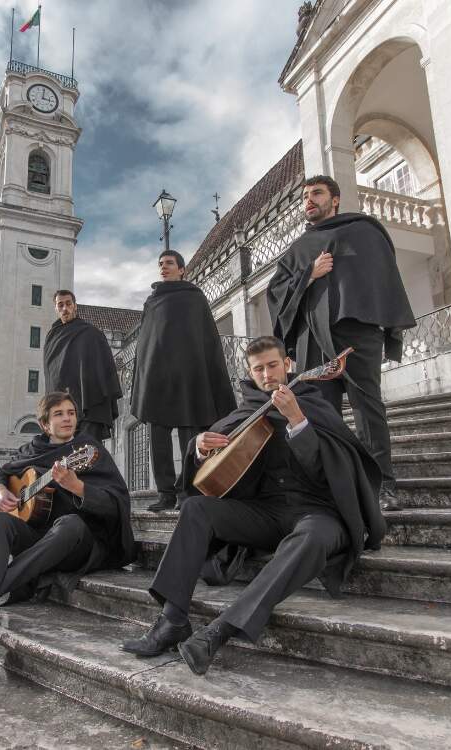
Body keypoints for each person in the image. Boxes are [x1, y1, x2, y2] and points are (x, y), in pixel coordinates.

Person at [121, 336, 385, 677]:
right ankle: (172, 620)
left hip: (317, 512)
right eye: (258, 368)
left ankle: (219, 631)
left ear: (287, 364)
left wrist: (297, 422)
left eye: (273, 365)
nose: (267, 374)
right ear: (249, 372)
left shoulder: (313, 404)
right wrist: (199, 447)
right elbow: (209, 472)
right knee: (197, 509)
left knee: (312, 538)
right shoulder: (246, 411)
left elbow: (332, 472)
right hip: (265, 514)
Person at [0, 391, 135, 684]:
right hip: (39, 537)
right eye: (59, 414)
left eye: (71, 412)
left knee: (69, 524)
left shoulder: (87, 449)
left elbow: (117, 502)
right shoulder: (31, 450)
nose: (67, 418)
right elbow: (0, 474)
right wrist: (1, 492)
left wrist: (79, 489)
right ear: (45, 424)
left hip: (79, 541)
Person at [267, 175, 416, 511]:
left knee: (369, 410)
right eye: (304, 196)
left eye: (316, 194)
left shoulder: (363, 231)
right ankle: (331, 487)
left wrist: (386, 325)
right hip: (312, 340)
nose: (308, 200)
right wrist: (309, 274)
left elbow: (383, 276)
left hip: (358, 332)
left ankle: (383, 485)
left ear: (334, 199)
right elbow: (275, 293)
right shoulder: (299, 249)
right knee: (321, 414)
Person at [131, 250, 236, 512]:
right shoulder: (151, 301)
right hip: (157, 379)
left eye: (169, 263)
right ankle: (165, 494)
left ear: (182, 269)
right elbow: (146, 344)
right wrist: (142, 378)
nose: (163, 268)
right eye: (160, 264)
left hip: (188, 377)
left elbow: (205, 339)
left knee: (190, 438)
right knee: (158, 440)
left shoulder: (194, 298)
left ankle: (188, 490)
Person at [43, 289, 122, 442]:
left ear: (75, 306)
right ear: (56, 308)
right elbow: (50, 375)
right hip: (61, 406)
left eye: (68, 304)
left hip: (89, 407)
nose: (65, 308)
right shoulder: (51, 338)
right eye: (60, 305)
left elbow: (106, 368)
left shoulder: (91, 333)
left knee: (87, 456)